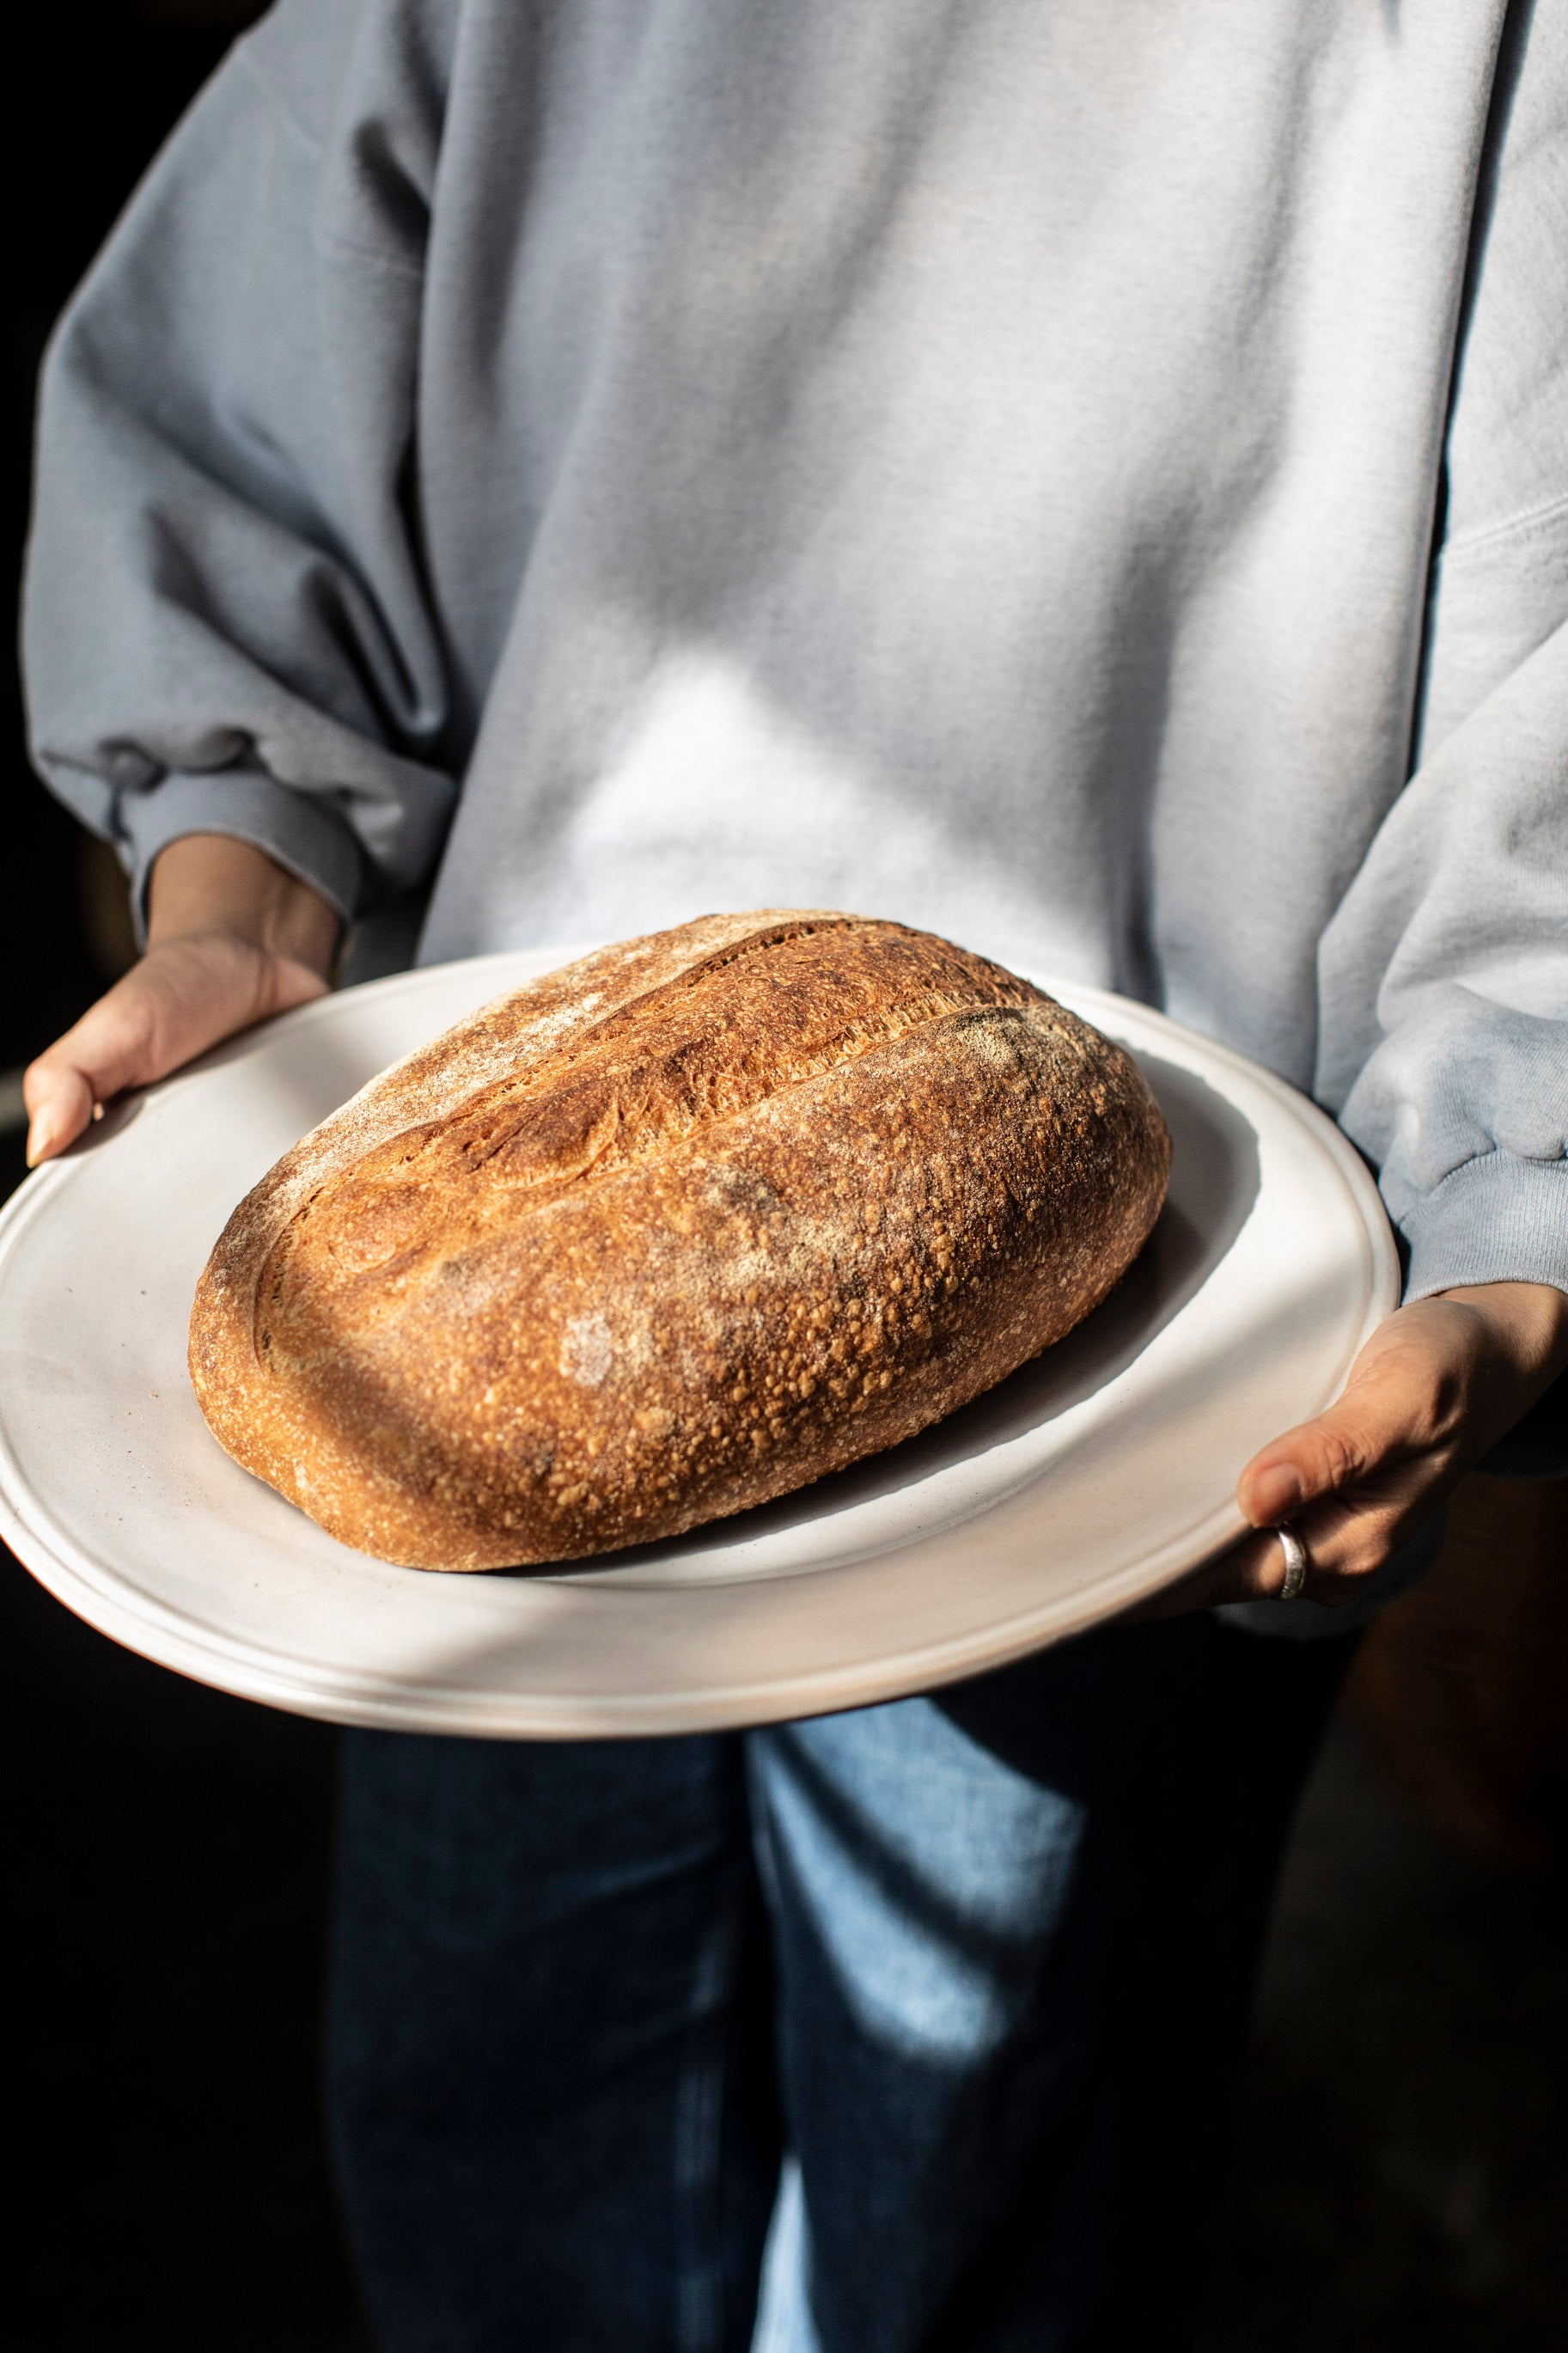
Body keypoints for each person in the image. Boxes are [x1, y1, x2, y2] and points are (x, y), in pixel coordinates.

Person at [19, 3, 1568, 2345]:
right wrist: (240, 895)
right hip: (488, 1331)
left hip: (1142, 1393)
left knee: (974, 2198)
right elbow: (253, 398)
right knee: (489, 2132)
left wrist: (1503, 1218)